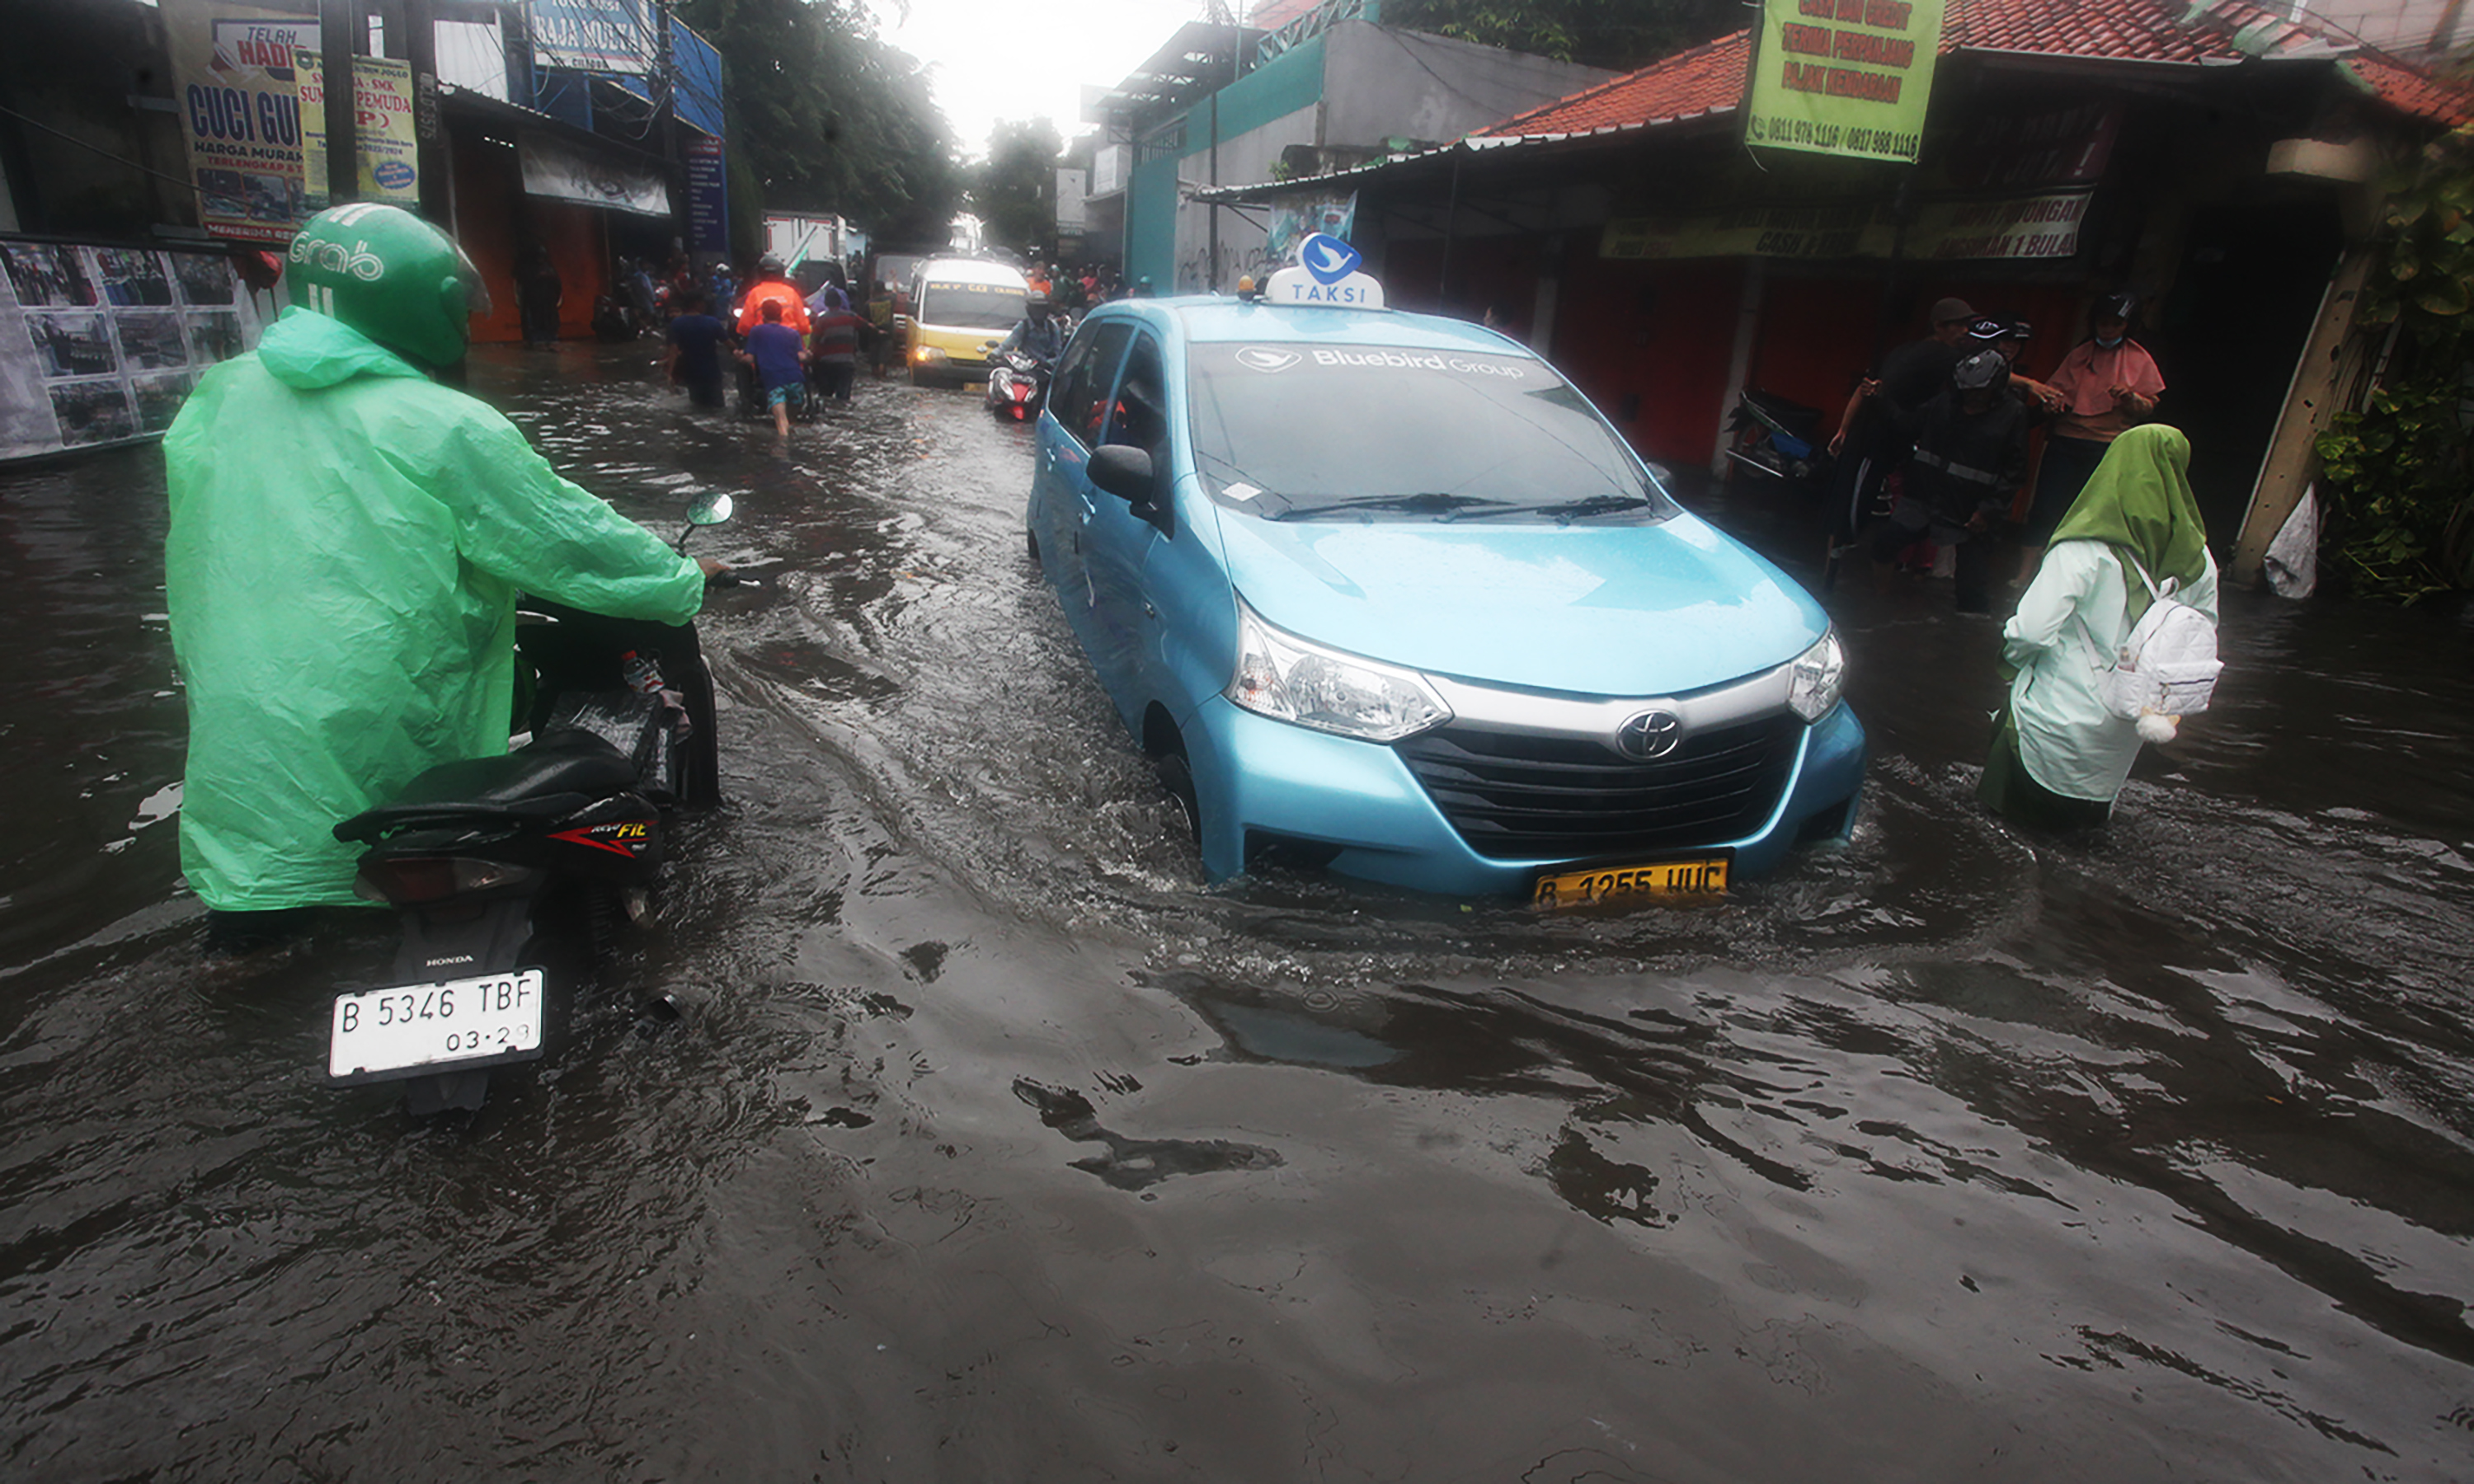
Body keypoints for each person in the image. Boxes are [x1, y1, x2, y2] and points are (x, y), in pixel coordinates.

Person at [162, 204, 718, 946]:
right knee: (432, 817)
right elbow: (568, 539)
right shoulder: (443, 423)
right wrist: (681, 578)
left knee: (264, 896)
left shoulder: (219, 395)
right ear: (420, 304)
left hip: (240, 717)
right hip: (379, 710)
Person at [1980, 424, 2217, 829]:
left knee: (2003, 830)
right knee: (2084, 835)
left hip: (2054, 715)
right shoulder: (2200, 561)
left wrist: (2013, 662)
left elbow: (2030, 632)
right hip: (2129, 724)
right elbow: (2203, 634)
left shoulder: (2082, 550)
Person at [2013, 291, 2166, 580]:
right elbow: (2055, 392)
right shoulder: (2080, 354)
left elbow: (2148, 407)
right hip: (2066, 441)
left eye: (2115, 325)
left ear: (2127, 326)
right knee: (2045, 509)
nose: (2107, 330)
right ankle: (2025, 573)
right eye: (2102, 323)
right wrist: (2055, 402)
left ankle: (2074, 575)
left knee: (2092, 514)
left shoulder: (2139, 358)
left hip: (2107, 446)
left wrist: (2130, 396)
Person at [1866, 348, 2030, 614]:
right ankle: (1879, 599)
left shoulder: (2014, 414)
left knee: (1972, 590)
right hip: (1924, 496)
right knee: (1885, 543)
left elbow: (2015, 471)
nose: (1971, 397)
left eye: (1979, 391)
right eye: (1967, 390)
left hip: (1974, 508)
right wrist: (1880, 398)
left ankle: (1968, 633)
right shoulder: (1944, 403)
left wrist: (1988, 510)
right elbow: (1906, 425)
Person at [1823, 295, 1976, 550]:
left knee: (1854, 504)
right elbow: (1867, 389)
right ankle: (1835, 563)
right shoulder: (1942, 354)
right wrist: (2029, 384)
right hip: (1873, 441)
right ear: (1939, 327)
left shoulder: (1907, 350)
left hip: (1885, 440)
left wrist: (1843, 429)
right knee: (1849, 512)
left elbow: (1868, 387)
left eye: (1966, 324)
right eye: (1958, 325)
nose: (1965, 331)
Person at [737, 298, 807, 434]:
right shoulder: (793, 333)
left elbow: (749, 358)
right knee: (792, 421)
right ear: (781, 314)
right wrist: (809, 355)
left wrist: (738, 357)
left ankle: (782, 453)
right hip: (796, 379)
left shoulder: (757, 332)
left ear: (762, 315)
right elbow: (801, 357)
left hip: (774, 380)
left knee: (782, 424)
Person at [664, 289, 730, 409]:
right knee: (718, 408)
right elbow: (729, 344)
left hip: (691, 373)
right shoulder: (712, 322)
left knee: (697, 407)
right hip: (712, 373)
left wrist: (670, 374)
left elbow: (673, 351)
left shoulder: (676, 324)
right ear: (697, 303)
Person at [734, 253, 809, 336]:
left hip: (763, 342)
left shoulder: (755, 293)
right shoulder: (791, 292)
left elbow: (744, 326)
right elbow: (804, 327)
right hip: (789, 342)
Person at [807, 294, 863, 405]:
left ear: (826, 304)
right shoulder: (852, 317)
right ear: (840, 303)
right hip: (847, 362)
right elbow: (867, 327)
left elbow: (814, 342)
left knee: (825, 397)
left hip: (826, 364)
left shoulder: (821, 320)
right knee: (843, 399)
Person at [995, 291, 1067, 369]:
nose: (1039, 312)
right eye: (1035, 308)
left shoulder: (1052, 327)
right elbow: (1008, 344)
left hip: (1047, 370)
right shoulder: (1023, 326)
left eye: (1041, 308)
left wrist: (1048, 363)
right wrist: (994, 354)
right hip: (1026, 368)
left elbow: (1058, 351)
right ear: (1029, 310)